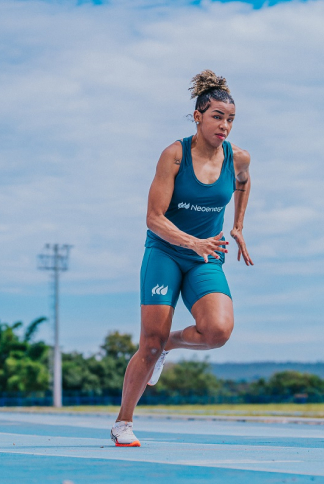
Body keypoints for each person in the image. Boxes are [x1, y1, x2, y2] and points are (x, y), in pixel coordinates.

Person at [111, 70, 253, 447]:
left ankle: (167, 347)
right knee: (149, 342)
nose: (224, 125)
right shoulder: (174, 155)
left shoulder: (237, 157)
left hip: (205, 257)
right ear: (198, 117)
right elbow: (153, 218)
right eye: (217, 117)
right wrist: (193, 243)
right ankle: (123, 423)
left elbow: (243, 180)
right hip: (166, 252)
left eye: (230, 119)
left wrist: (237, 225)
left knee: (218, 332)